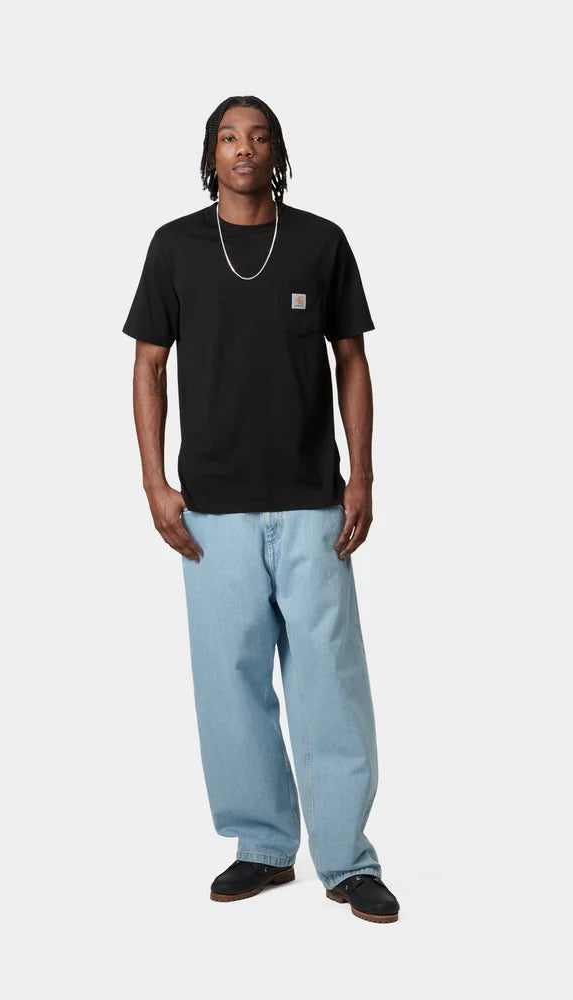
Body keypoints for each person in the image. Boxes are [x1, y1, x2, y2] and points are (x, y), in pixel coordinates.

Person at [122, 96, 399, 924]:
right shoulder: (174, 247)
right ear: (210, 155)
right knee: (230, 683)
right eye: (228, 137)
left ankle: (347, 860)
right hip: (212, 511)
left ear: (276, 152)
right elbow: (148, 366)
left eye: (259, 136)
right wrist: (154, 483)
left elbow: (351, 359)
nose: (244, 148)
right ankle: (263, 846)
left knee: (329, 684)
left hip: (313, 502)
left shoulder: (320, 242)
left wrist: (361, 475)